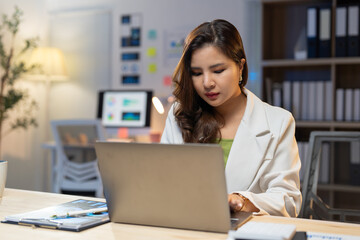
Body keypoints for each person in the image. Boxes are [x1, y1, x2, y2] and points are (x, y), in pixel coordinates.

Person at [160, 19, 302, 217]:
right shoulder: (179, 113)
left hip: (246, 232)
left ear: (240, 67)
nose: (207, 83)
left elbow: (288, 200)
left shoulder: (278, 122)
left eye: (218, 71)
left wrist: (241, 201)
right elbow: (162, 182)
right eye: (197, 73)